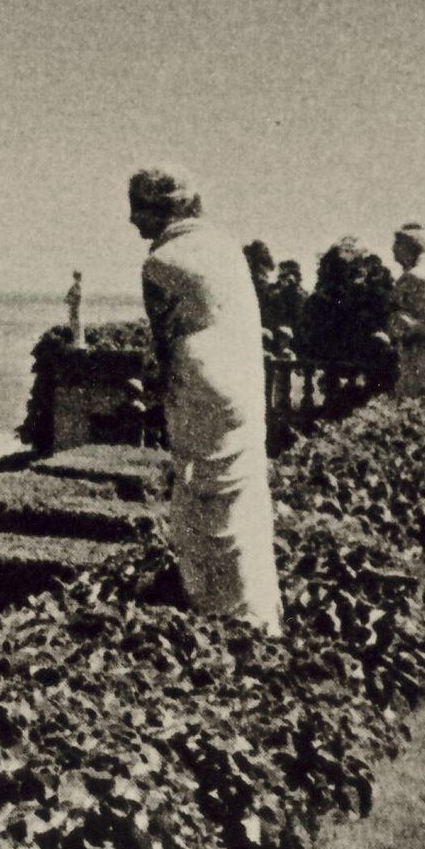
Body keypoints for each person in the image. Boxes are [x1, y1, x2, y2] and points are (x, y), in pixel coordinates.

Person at [129, 166, 281, 634]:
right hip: (239, 384)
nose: (132, 220)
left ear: (160, 208)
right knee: (241, 503)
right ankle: (257, 615)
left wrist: (154, 393)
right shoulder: (223, 247)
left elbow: (163, 349)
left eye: (138, 208)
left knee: (200, 511)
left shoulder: (161, 263)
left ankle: (221, 622)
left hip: (198, 389)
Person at [386, 223, 425, 406]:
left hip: (420, 344)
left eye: (397, 245)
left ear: (408, 248)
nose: (393, 250)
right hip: (423, 342)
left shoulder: (412, 277)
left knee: (420, 398)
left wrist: (407, 325)